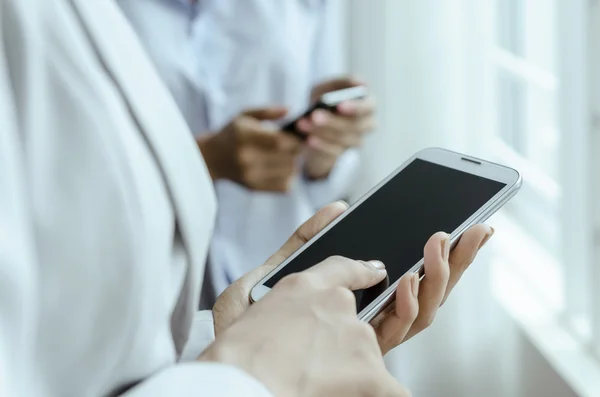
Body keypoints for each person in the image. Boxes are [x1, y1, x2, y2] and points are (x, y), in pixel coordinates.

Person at [0, 1, 493, 396]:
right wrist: (251, 374)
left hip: (243, 283)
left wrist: (221, 336)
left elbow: (323, 170)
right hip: (148, 282)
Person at [116, 0, 375, 305]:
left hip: (277, 285)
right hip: (148, 287)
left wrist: (325, 147)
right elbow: (72, 176)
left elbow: (325, 186)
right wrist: (203, 160)